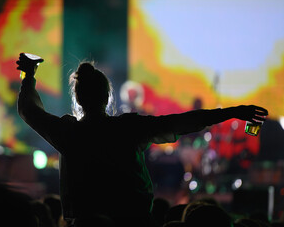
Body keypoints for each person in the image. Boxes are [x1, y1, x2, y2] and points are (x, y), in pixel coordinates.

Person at [16, 54, 268, 227]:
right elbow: (179, 122)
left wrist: (29, 76)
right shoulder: (128, 128)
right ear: (107, 96)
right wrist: (233, 112)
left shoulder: (68, 133)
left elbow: (29, 110)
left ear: (78, 99)